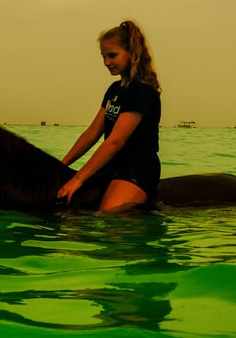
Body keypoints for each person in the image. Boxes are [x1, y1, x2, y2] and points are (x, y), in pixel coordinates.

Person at [58, 20, 161, 212]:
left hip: (136, 170)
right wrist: (61, 165)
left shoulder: (142, 92)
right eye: (103, 57)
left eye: (112, 55)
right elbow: (92, 132)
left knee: (107, 218)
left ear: (132, 52)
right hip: (110, 167)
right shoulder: (114, 89)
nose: (106, 62)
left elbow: (115, 141)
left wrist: (78, 179)